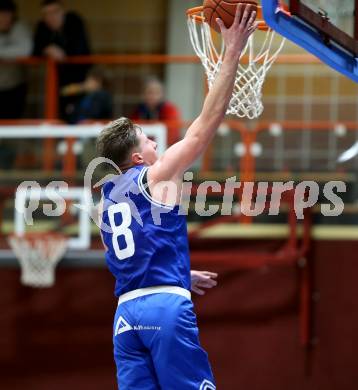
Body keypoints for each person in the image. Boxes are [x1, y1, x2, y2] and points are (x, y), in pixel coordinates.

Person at [96, 5, 257, 390]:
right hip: (164, 309)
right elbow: (204, 128)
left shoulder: (105, 199)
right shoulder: (156, 174)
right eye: (149, 140)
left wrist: (178, 270)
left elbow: (131, 253)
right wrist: (232, 51)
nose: (156, 142)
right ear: (136, 157)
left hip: (126, 319)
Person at [33, 0, 91, 117]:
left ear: (63, 11)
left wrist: (59, 51)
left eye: (55, 12)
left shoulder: (74, 21)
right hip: (58, 83)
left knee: (81, 116)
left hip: (83, 81)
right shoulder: (42, 27)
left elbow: (77, 50)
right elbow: (35, 50)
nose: (51, 17)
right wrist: (47, 49)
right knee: (60, 117)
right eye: (46, 14)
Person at [0, 0, 32, 119]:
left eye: (8, 15)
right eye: (1, 14)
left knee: (13, 123)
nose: (4, 18)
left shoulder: (19, 28)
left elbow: (24, 51)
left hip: (15, 87)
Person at [132, 76, 181, 145]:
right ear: (143, 94)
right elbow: (132, 133)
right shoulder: (139, 110)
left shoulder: (170, 110)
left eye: (157, 93)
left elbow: (172, 136)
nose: (153, 96)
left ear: (162, 94)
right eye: (149, 92)